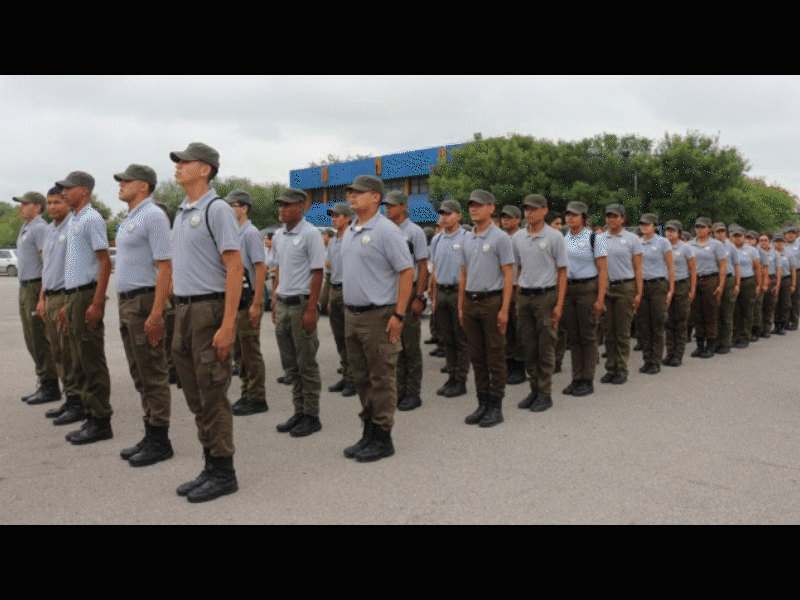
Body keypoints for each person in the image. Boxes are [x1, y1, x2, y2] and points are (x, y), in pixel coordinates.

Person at [169, 142, 243, 503]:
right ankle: (210, 462)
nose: (178, 166)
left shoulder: (216, 210)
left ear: (205, 169)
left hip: (207, 311)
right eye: (178, 162)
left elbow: (235, 266)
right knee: (196, 393)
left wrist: (228, 324)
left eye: (185, 162)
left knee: (213, 392)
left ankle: (224, 472)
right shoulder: (182, 211)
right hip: (183, 311)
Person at [341, 174, 413, 462]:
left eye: (359, 192)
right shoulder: (351, 230)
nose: (352, 196)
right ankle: (368, 431)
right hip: (353, 315)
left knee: (381, 377)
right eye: (350, 192)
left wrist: (399, 314)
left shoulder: (386, 231)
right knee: (361, 378)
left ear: (376, 197)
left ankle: (383, 436)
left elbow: (406, 271)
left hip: (379, 315)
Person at [113, 164, 174, 466]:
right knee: (140, 372)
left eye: (127, 181)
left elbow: (165, 266)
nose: (121, 184)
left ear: (144, 185)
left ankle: (160, 440)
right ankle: (150, 431)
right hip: (127, 303)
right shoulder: (130, 218)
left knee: (153, 372)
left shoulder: (153, 216)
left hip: (144, 301)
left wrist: (157, 313)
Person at [55, 171, 113, 445]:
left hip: (87, 295)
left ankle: (101, 421)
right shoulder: (75, 219)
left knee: (91, 359)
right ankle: (90, 416)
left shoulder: (91, 219)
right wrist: (68, 303)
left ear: (84, 190)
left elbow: (105, 262)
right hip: (74, 296)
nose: (64, 192)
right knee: (78, 359)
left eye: (69, 188)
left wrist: (97, 302)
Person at [271, 189, 325, 436]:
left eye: (287, 205)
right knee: (290, 364)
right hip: (283, 303)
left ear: (301, 206)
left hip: (301, 305)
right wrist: (274, 301)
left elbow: (317, 273)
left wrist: (312, 309)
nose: (282, 208)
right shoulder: (280, 235)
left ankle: (311, 415)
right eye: (280, 204)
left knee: (306, 364)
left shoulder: (310, 233)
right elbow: (279, 269)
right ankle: (298, 411)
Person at [458, 189, 514, 426]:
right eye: (471, 204)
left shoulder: (501, 238)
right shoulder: (467, 238)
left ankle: (496, 405)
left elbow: (509, 274)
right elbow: (463, 273)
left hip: (492, 302)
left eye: (479, 205)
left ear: (492, 207)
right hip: (471, 303)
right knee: (477, 356)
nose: (473, 208)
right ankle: (482, 402)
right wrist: (461, 306)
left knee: (495, 355)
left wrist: (504, 309)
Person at [512, 194, 567, 412]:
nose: (529, 213)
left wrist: (559, 304)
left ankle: (545, 392)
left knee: (545, 346)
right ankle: (533, 389)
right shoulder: (518, 237)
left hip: (546, 297)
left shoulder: (555, 237)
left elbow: (562, 272)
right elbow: (518, 269)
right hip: (525, 296)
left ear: (544, 210)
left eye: (534, 209)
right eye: (526, 209)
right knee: (529, 345)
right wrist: (517, 298)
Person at [36, 189, 81, 422]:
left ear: (67, 202)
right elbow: (47, 268)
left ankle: (78, 402)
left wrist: (68, 302)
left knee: (69, 352)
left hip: (66, 295)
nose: (52, 207)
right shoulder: (50, 231)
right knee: (58, 353)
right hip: (51, 295)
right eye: (49, 202)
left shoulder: (73, 227)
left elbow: (77, 266)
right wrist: (42, 297)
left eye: (57, 202)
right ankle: (69, 397)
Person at [384, 191, 429, 412]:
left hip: (409, 292)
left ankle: (413, 393)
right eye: (386, 205)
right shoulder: (385, 230)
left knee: (410, 347)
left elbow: (422, 265)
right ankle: (399, 390)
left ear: (403, 206)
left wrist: (420, 296)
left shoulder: (415, 232)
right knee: (394, 345)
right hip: (389, 294)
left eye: (392, 205)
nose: (388, 208)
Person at [14, 191, 60, 405]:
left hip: (35, 286)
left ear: (37, 206)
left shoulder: (40, 228)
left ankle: (50, 384)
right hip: (25, 287)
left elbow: (46, 263)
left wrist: (42, 296)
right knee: (31, 338)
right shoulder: (28, 227)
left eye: (25, 204)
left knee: (40, 338)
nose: (21, 207)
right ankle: (43, 379)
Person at [228, 189, 268, 417]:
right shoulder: (235, 233)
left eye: (232, 205)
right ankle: (247, 393)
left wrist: (257, 303)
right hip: (236, 302)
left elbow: (260, 267)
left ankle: (257, 397)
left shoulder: (250, 233)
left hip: (248, 299)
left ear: (243, 208)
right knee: (240, 352)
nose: (229, 209)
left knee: (250, 351)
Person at [562, 201, 608, 397]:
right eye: (568, 214)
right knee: (574, 337)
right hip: (569, 289)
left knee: (588, 335)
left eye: (575, 214)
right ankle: (576, 377)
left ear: (583, 217)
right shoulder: (563, 238)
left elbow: (603, 270)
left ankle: (587, 379)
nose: (570, 217)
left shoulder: (594, 238)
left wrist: (600, 299)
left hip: (587, 289)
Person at [429, 200, 469, 398]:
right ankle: (451, 375)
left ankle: (460, 379)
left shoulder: (467, 238)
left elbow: (467, 271)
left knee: (460, 338)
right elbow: (435, 270)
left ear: (459, 216)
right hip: (442, 292)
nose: (443, 217)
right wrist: (434, 297)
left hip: (458, 292)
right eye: (441, 213)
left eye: (448, 213)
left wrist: (463, 302)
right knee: (447, 339)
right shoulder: (437, 240)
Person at [599, 203, 642, 385]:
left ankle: (621, 369)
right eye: (609, 216)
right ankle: (611, 367)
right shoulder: (600, 239)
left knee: (622, 331)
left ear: (623, 218)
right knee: (609, 332)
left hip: (625, 288)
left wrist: (639, 293)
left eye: (615, 216)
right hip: (607, 288)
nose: (611, 219)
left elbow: (638, 268)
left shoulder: (632, 239)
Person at [636, 213, 675, 374]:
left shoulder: (663, 242)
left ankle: (655, 361)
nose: (644, 227)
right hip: (642, 285)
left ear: (654, 226)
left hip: (658, 285)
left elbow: (671, 266)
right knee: (644, 325)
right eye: (642, 224)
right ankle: (647, 359)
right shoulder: (637, 243)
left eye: (648, 224)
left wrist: (671, 289)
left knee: (657, 323)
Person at [326, 202, 357, 398]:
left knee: (350, 338)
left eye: (338, 216)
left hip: (350, 291)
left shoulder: (353, 238)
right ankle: (346, 374)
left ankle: (354, 378)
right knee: (339, 338)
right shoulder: (332, 241)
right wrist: (329, 296)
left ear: (347, 218)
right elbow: (329, 269)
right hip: (335, 290)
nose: (334, 219)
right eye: (333, 216)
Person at [687, 217, 727, 358]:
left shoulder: (716, 245)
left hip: (710, 279)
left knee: (710, 314)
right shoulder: (690, 244)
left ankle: (710, 345)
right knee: (697, 313)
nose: (699, 230)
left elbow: (722, 266)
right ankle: (699, 345)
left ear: (709, 229)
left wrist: (721, 285)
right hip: (695, 279)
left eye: (702, 227)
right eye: (697, 227)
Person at [663, 220, 696, 366]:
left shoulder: (686, 248)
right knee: (668, 321)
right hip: (666, 285)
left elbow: (693, 270)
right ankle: (670, 352)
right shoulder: (663, 246)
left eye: (673, 230)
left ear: (679, 233)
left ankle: (678, 354)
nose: (669, 233)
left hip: (681, 284)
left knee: (680, 320)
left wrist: (692, 289)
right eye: (667, 230)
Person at [500, 204, 526, 385]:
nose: (506, 220)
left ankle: (519, 368)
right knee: (505, 329)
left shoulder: (521, 238)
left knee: (518, 329)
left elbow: (523, 265)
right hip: (500, 287)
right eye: (504, 217)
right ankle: (508, 364)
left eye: (510, 217)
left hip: (517, 287)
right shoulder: (499, 237)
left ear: (518, 219)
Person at [730, 225, 761, 348]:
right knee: (735, 310)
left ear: (744, 237)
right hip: (733, 282)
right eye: (735, 236)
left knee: (747, 310)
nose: (737, 239)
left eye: (739, 236)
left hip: (748, 281)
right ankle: (735, 336)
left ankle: (744, 337)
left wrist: (759, 284)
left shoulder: (751, 250)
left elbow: (757, 268)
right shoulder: (729, 249)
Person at [712, 222, 740, 354]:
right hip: (714, 279)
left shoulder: (731, 247)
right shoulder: (710, 245)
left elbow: (736, 266)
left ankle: (725, 342)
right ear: (713, 233)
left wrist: (737, 283)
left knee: (727, 313)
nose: (720, 234)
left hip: (728, 280)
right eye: (717, 232)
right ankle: (715, 341)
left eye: (722, 231)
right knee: (715, 312)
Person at [772, 233, 796, 335]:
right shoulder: (771, 254)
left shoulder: (789, 254)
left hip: (786, 280)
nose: (779, 243)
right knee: (775, 303)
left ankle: (783, 325)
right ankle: (776, 325)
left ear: (784, 242)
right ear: (773, 243)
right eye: (777, 241)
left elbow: (793, 270)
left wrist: (793, 284)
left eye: (781, 241)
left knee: (785, 303)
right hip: (774, 280)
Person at [758, 233, 781, 338]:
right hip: (759, 280)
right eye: (761, 240)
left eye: (765, 240)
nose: (763, 242)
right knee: (759, 306)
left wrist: (777, 284)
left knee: (769, 305)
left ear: (769, 241)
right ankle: (758, 328)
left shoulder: (775, 253)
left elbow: (779, 269)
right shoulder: (756, 251)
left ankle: (766, 328)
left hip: (771, 279)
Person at [746, 230, 766, 340]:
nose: (749, 241)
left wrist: (762, 284)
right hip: (748, 279)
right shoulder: (745, 250)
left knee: (757, 306)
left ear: (756, 241)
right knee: (749, 306)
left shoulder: (760, 252)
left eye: (752, 239)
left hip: (758, 279)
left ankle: (756, 330)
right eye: (748, 238)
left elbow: (764, 269)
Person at [782, 223, 800, 330]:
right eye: (789, 233)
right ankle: (785, 320)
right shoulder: (782, 245)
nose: (791, 236)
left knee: (795, 297)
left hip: (797, 272)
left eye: (793, 234)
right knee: (785, 298)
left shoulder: (798, 246)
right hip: (784, 273)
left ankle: (794, 321)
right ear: (785, 235)